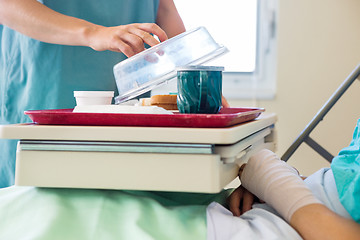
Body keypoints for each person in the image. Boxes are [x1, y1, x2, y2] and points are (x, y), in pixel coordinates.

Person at [0, 0, 186, 188]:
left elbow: (164, 10)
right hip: (47, 90)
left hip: (128, 113)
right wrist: (93, 33)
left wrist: (197, 83)